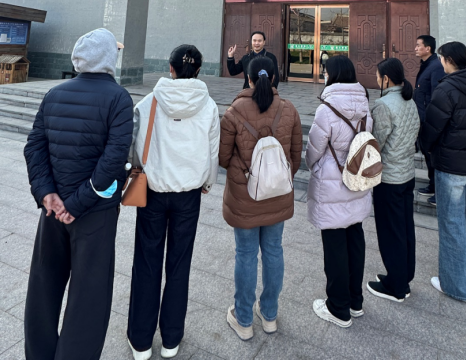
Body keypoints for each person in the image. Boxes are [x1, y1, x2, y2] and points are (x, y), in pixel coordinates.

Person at [24, 28, 134, 360]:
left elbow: (34, 148)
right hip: (93, 213)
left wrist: (46, 194)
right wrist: (76, 203)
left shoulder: (54, 93)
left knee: (44, 285)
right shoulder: (119, 98)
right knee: (89, 295)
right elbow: (113, 160)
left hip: (53, 211)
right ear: (108, 58)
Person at [127, 45, 220, 361]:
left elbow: (135, 146)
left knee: (146, 263)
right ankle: (171, 339)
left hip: (153, 192)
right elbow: (212, 151)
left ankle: (141, 341)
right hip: (189, 195)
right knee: (179, 265)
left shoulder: (149, 102)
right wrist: (207, 182)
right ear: (199, 70)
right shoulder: (208, 106)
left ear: (170, 68)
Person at [219, 56, 302, 340]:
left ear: (249, 78)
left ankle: (243, 319)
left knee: (245, 254)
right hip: (278, 194)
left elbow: (223, 157)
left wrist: (246, 174)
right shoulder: (289, 109)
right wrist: (276, 178)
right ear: (275, 77)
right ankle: (269, 315)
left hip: (245, 196)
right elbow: (295, 157)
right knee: (274, 250)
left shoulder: (234, 110)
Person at [305, 55, 373, 328]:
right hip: (357, 180)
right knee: (355, 238)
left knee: (334, 247)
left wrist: (314, 167)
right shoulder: (365, 105)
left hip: (332, 185)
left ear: (331, 75)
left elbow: (314, 150)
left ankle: (338, 308)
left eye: (325, 71)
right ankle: (355, 301)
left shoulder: (327, 109)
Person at [420, 41, 466, 303]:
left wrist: (426, 148)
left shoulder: (447, 88)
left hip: (451, 165)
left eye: (441, 58)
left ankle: (457, 287)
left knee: (451, 226)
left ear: (448, 60)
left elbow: (432, 127)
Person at [367, 58, 420, 303]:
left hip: (389, 178)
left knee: (390, 232)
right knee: (405, 228)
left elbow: (375, 143)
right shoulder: (410, 101)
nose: (377, 80)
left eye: (378, 76)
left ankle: (396, 286)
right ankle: (403, 276)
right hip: (407, 173)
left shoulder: (383, 105)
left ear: (386, 79)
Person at [414, 35, 444, 207]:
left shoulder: (436, 67)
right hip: (422, 117)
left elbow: (435, 94)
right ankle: (432, 185)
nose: (416, 48)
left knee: (432, 154)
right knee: (427, 153)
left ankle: (438, 190)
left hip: (428, 118)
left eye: (419, 45)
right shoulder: (426, 65)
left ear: (428, 48)